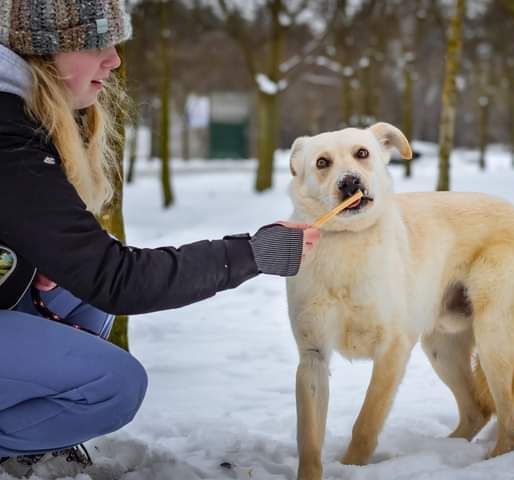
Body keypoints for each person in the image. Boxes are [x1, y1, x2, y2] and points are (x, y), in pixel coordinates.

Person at [0, 0, 320, 466]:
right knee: (114, 385)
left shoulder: (21, 113)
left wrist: (27, 259)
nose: (114, 60)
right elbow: (118, 280)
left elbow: (88, 267)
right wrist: (252, 253)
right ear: (44, 53)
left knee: (76, 288)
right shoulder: (8, 139)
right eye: (97, 44)